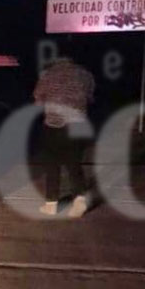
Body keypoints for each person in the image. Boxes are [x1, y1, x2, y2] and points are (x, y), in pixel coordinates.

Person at [33, 57, 95, 218]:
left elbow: (38, 101)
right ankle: (79, 200)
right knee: (74, 164)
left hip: (54, 125)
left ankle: (51, 204)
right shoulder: (85, 75)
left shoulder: (47, 75)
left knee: (52, 163)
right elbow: (90, 97)